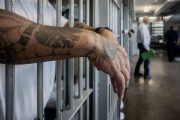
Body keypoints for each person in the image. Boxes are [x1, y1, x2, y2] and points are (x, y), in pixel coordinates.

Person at [0, 5, 130, 120]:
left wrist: (101, 31)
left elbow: (70, 26)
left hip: (38, 113)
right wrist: (93, 42)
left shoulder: (43, 5)